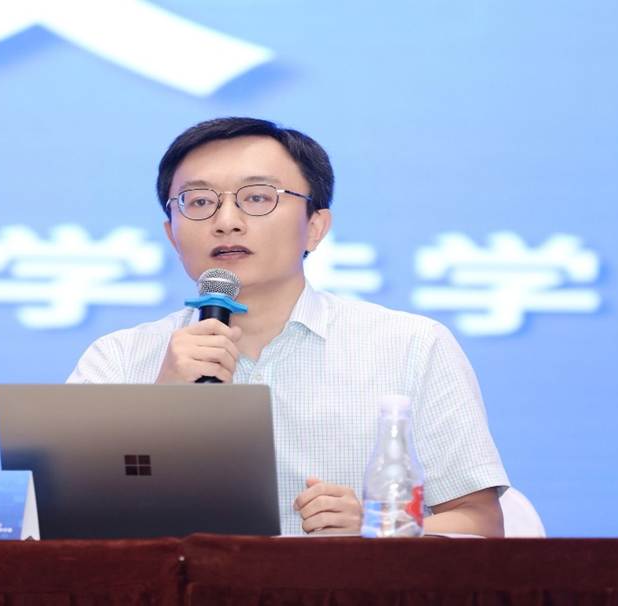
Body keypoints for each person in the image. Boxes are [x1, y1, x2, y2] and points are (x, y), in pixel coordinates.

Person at [68, 117, 510, 537]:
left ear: (315, 227)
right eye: (199, 201)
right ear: (172, 234)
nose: (226, 221)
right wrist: (159, 401)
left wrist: (376, 529)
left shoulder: (411, 345)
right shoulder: (119, 358)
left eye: (258, 198)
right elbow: (68, 519)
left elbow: (480, 521)